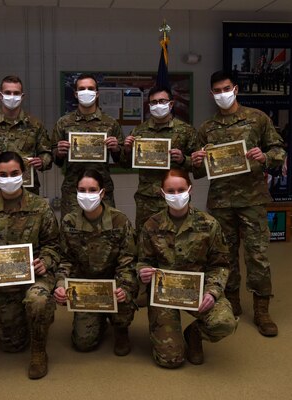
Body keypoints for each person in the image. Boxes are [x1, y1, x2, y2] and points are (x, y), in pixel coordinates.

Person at [191, 71, 286, 337]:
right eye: (217, 90)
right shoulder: (207, 128)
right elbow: (198, 171)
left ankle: (262, 309)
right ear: (212, 94)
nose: (222, 94)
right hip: (221, 201)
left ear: (236, 89)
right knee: (225, 255)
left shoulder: (257, 119)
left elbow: (279, 152)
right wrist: (196, 161)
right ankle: (231, 301)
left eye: (226, 88)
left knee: (257, 255)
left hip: (252, 199)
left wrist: (264, 156)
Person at [0, 151, 60, 379]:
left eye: (15, 173)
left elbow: (53, 244)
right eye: (3, 174)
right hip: (3, 280)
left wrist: (45, 261)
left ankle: (39, 350)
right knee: (10, 344)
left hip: (35, 274)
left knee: (38, 302)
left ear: (24, 174)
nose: (9, 178)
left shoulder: (40, 207)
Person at [137, 168, 237, 368]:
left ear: (190, 190)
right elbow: (143, 260)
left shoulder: (209, 224)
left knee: (224, 322)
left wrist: (213, 292)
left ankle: (194, 334)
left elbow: (220, 265)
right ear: (162, 193)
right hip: (163, 293)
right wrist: (143, 271)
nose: (176, 195)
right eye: (171, 191)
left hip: (197, 290)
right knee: (170, 360)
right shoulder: (151, 225)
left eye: (181, 189)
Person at [54, 169, 138, 356]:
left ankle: (120, 327)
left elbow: (128, 261)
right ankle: (98, 319)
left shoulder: (119, 220)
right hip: (86, 287)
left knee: (124, 298)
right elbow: (65, 260)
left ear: (102, 193)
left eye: (92, 190)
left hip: (114, 283)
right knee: (83, 343)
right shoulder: (69, 221)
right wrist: (60, 285)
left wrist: (124, 287)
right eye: (82, 190)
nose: (87, 195)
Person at [124, 85, 196, 235]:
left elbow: (199, 166)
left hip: (175, 197)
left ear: (171, 104)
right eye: (154, 102)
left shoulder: (186, 131)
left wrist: (183, 160)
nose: (158, 105)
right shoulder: (139, 131)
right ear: (149, 105)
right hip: (146, 199)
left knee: (178, 238)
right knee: (145, 239)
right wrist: (128, 150)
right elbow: (125, 164)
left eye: (162, 101)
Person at [51, 73, 124, 218]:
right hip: (73, 189)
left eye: (90, 88)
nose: (86, 91)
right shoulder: (63, 123)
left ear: (97, 94)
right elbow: (56, 160)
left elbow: (122, 159)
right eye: (82, 88)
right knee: (71, 230)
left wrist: (116, 148)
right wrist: (59, 152)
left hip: (102, 189)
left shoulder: (110, 123)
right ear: (76, 94)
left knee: (107, 231)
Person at [0, 75, 52, 196]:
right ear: (0, 95)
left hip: (28, 190)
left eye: (16, 93)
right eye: (8, 92)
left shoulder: (35, 124)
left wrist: (42, 161)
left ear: (22, 96)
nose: (12, 96)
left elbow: (47, 152)